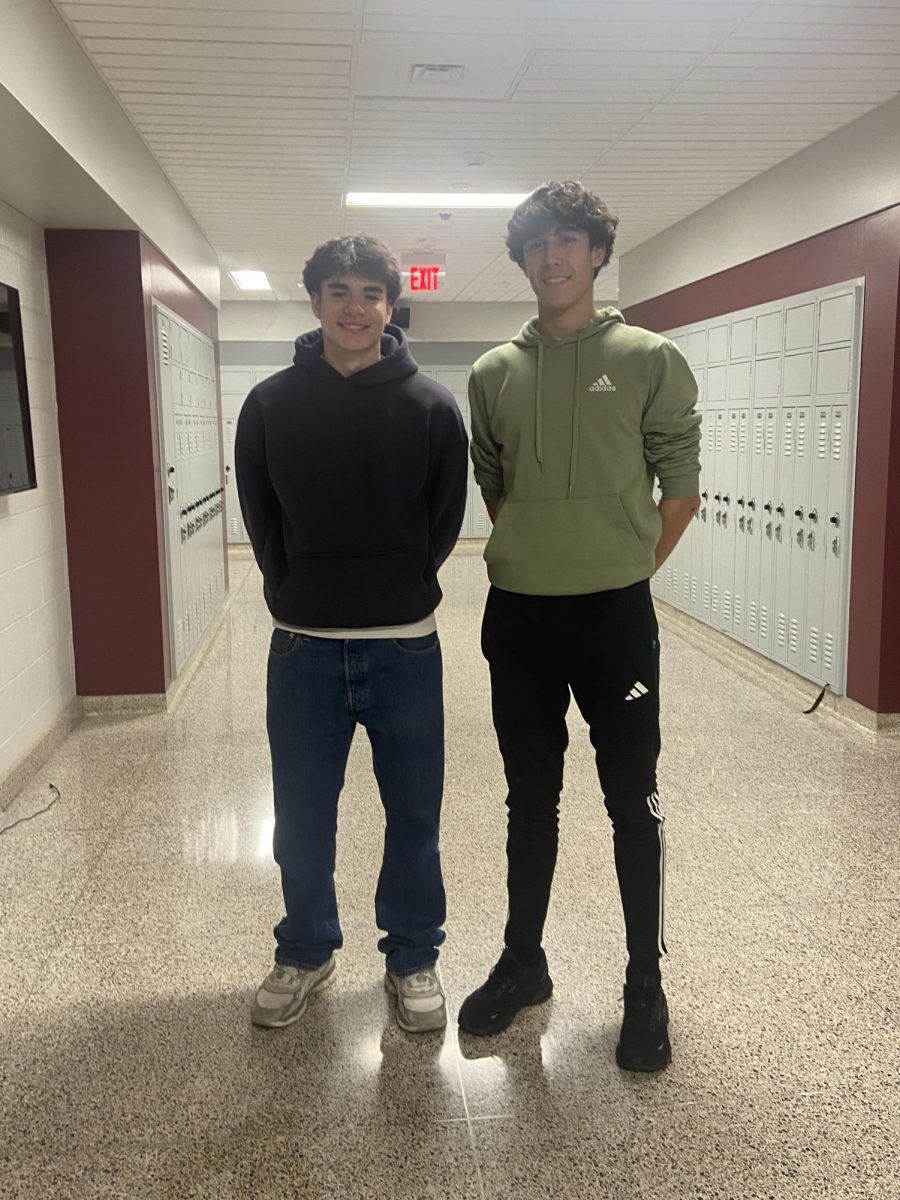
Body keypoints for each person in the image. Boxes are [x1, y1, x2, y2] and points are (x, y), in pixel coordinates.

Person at [458, 182, 700, 1071]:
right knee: (530, 800)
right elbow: (496, 483)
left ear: (598, 253)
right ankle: (524, 964)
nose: (552, 258)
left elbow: (681, 489)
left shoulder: (649, 358)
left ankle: (646, 984)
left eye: (569, 241)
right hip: (519, 615)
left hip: (613, 619)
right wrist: (540, 551)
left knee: (631, 802)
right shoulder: (491, 372)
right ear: (521, 260)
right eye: (536, 245)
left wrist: (620, 566)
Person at [235, 234, 469, 1034]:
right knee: (301, 814)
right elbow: (261, 517)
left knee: (415, 814)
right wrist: (296, 585)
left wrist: (397, 582)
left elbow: (442, 521)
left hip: (405, 643)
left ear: (390, 305)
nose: (356, 307)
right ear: (314, 302)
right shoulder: (269, 403)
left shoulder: (433, 407)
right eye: (339, 290)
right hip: (303, 647)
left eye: (371, 292)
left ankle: (412, 956)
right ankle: (305, 948)